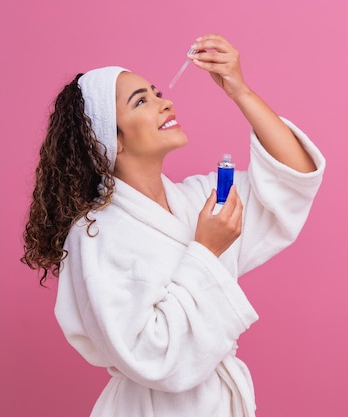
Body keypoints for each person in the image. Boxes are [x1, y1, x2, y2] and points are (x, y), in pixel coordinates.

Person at [22, 33, 325, 417]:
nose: (165, 102)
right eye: (142, 101)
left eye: (157, 92)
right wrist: (207, 252)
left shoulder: (195, 201)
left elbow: (292, 179)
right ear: (106, 139)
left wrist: (240, 91)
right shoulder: (96, 232)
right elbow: (149, 354)